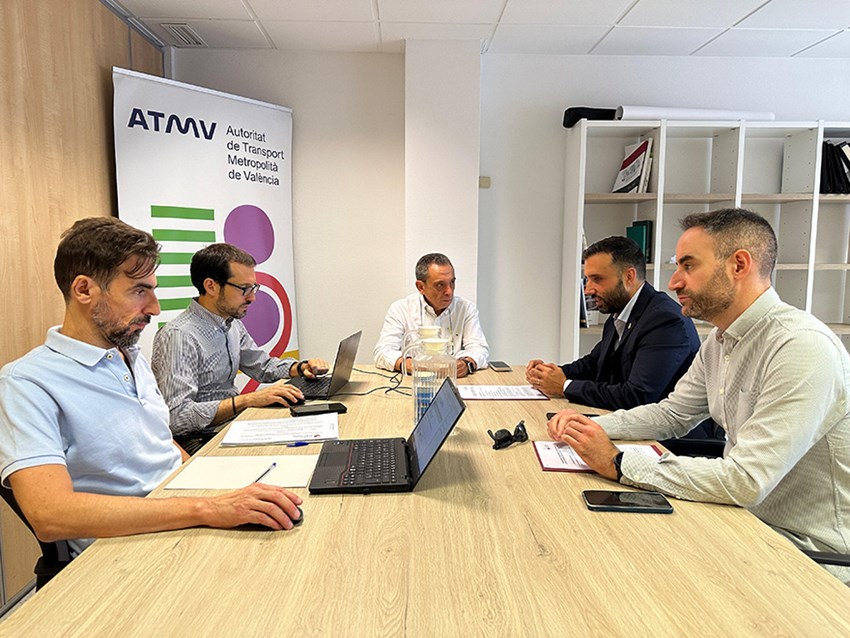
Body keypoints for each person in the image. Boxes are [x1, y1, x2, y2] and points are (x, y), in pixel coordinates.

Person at [548, 208, 850, 584]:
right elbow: (672, 414)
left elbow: (746, 480)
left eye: (688, 266)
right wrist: (591, 426)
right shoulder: (720, 341)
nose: (673, 281)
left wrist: (619, 463)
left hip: (803, 554)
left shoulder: (800, 347)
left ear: (739, 265)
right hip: (739, 521)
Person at [0, 218, 303, 558]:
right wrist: (206, 507)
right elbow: (50, 515)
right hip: (128, 551)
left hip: (181, 514)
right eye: (139, 291)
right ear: (84, 290)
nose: (155, 308)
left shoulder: (129, 356)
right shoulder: (27, 383)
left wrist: (218, 490)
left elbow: (161, 442)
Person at [152, 243, 328, 454]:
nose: (252, 297)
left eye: (253, 288)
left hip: (233, 424)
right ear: (211, 286)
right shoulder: (178, 336)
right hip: (199, 440)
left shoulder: (231, 323)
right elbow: (177, 417)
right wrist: (247, 400)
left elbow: (262, 367)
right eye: (244, 289)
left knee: (312, 434)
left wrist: (301, 368)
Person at [527, 236, 700, 410]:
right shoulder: (620, 311)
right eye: (587, 279)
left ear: (629, 277)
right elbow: (594, 364)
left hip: (661, 428)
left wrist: (564, 386)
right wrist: (549, 373)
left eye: (597, 279)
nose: (587, 290)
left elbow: (637, 396)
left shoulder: (665, 321)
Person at [373, 253, 489, 377]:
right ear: (420, 287)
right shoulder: (401, 309)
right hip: (415, 381)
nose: (449, 291)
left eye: (452, 282)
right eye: (440, 285)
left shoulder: (466, 308)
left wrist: (467, 363)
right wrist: (411, 365)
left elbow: (479, 349)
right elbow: (382, 351)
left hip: (455, 381)